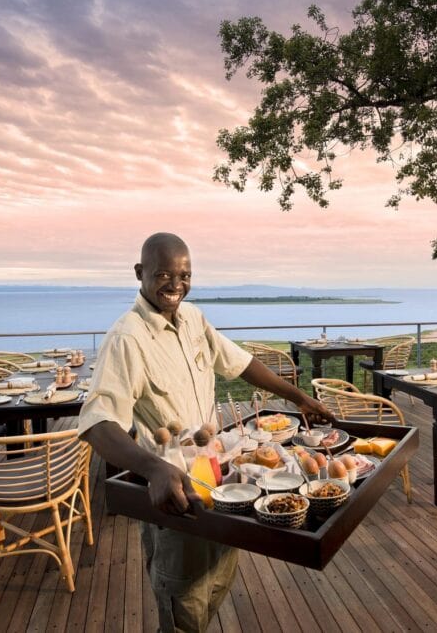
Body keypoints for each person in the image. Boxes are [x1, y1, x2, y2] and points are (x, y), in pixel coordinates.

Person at [79, 232, 332, 633]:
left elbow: (241, 363)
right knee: (185, 605)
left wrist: (298, 397)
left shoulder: (193, 319)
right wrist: (153, 469)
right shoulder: (127, 338)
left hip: (217, 485)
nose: (175, 284)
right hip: (176, 497)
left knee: (217, 581)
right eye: (164, 274)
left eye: (185, 275)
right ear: (140, 273)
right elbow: (97, 423)